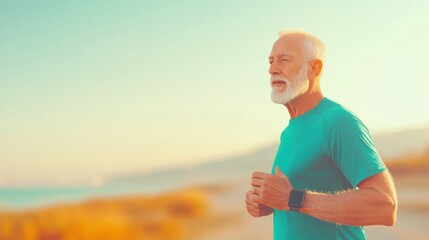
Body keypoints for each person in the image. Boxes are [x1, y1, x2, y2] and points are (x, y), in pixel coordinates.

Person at [245, 30, 397, 240]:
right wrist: (268, 203)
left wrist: (291, 198)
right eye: (270, 61)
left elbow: (385, 206)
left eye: (284, 60)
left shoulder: (337, 122)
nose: (272, 69)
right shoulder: (289, 131)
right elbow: (293, 199)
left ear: (313, 69)